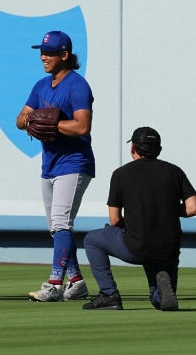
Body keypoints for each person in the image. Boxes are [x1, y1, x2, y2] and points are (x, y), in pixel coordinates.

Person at [16, 31, 95, 302]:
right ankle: (76, 280)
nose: (43, 56)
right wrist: (31, 121)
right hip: (49, 164)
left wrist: (52, 124)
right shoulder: (41, 85)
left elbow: (83, 126)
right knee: (56, 228)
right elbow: (20, 118)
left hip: (75, 162)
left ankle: (53, 285)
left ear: (64, 55)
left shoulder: (77, 85)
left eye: (49, 52)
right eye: (42, 51)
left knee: (61, 224)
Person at [83, 127, 196, 310]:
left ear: (133, 148)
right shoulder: (175, 171)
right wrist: (163, 211)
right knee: (158, 299)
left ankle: (109, 294)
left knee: (92, 240)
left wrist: (139, 219)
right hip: (168, 249)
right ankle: (160, 291)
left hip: (136, 246)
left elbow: (114, 220)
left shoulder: (121, 174)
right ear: (158, 149)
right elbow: (192, 208)